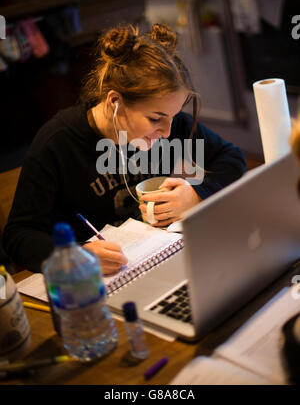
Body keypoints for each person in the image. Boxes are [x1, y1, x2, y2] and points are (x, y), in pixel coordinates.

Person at [3, 23, 246, 274]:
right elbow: (18, 236)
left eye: (174, 115)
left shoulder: (173, 124)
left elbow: (232, 158)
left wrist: (197, 194)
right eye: (155, 119)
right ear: (115, 101)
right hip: (100, 281)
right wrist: (74, 254)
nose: (168, 132)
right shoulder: (59, 143)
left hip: (167, 259)